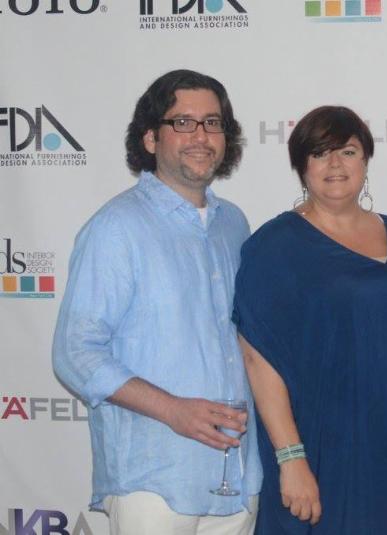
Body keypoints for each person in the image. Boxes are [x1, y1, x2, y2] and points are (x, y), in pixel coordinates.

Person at [52, 69, 262, 534]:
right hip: (154, 479)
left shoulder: (234, 225)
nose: (201, 136)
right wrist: (173, 410)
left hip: (236, 475)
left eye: (212, 123)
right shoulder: (116, 227)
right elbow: (75, 353)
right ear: (150, 137)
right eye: (183, 122)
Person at [233, 105, 387, 534]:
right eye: (320, 152)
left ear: (365, 160)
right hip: (325, 447)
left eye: (347, 151)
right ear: (301, 166)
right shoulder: (275, 245)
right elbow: (258, 358)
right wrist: (291, 458)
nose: (335, 164)